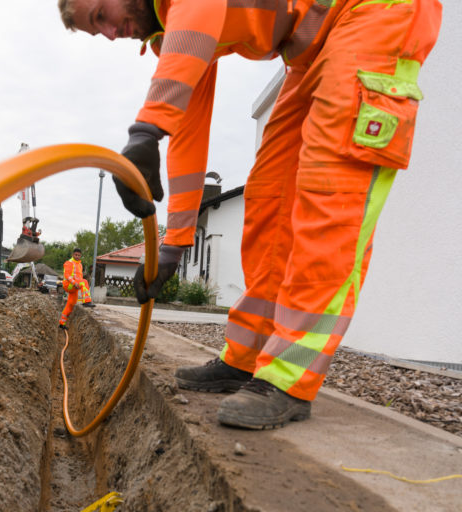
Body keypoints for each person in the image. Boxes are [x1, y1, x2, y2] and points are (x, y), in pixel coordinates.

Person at [57, 0, 442, 429]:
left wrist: (147, 127)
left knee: (329, 198)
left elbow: (196, 19)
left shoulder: (187, 12)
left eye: (100, 17)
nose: (112, 34)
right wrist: (175, 243)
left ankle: (289, 379)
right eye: (99, 33)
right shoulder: (176, 27)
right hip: (313, 51)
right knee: (269, 199)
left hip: (373, 15)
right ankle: (248, 358)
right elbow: (187, 124)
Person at [59, 248, 96, 329]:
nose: (77, 256)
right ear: (73, 255)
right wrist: (74, 283)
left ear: (80, 256)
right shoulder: (69, 263)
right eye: (76, 255)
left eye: (79, 255)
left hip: (74, 286)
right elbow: (67, 275)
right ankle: (87, 301)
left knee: (71, 304)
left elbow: (79, 276)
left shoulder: (80, 264)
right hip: (69, 284)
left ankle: (62, 323)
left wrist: (77, 283)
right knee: (84, 282)